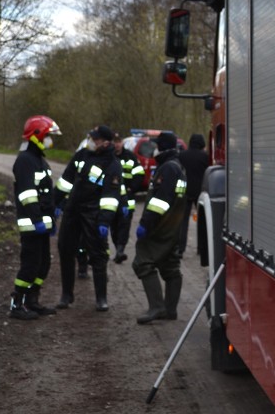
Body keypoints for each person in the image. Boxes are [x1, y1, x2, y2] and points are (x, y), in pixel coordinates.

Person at [54, 125, 123, 311]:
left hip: (94, 214)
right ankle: (66, 295)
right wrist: (54, 203)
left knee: (98, 255)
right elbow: (65, 181)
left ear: (105, 142)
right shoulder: (81, 156)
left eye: (95, 139)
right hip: (73, 210)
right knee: (65, 249)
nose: (91, 141)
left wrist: (104, 221)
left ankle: (101, 298)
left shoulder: (113, 165)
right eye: (91, 138)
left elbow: (111, 196)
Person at [10, 115, 62, 320]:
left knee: (43, 265)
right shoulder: (25, 161)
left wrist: (52, 216)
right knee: (30, 265)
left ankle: (32, 301)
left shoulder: (39, 159)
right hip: (32, 224)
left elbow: (46, 195)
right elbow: (27, 195)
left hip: (42, 224)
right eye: (48, 136)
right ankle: (17, 305)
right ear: (37, 135)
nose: (51, 140)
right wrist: (38, 220)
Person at [132, 131, 187, 324]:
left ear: (162, 147)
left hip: (161, 226)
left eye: (156, 145)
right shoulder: (176, 166)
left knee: (142, 262)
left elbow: (160, 202)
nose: (153, 149)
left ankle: (157, 307)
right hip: (173, 225)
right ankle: (169, 310)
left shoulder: (168, 168)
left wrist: (146, 224)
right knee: (170, 265)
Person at [112, 132, 145, 263]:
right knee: (114, 228)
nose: (117, 144)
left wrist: (132, 188)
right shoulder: (109, 157)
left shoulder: (130, 157)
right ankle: (117, 247)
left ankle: (120, 250)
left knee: (124, 226)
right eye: (114, 142)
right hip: (112, 199)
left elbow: (139, 174)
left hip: (127, 199)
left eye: (118, 141)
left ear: (122, 143)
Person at [177, 133, 209, 257]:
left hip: (184, 191)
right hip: (200, 192)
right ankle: (201, 248)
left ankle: (180, 249)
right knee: (202, 222)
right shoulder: (205, 157)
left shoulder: (181, 155)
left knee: (183, 221)